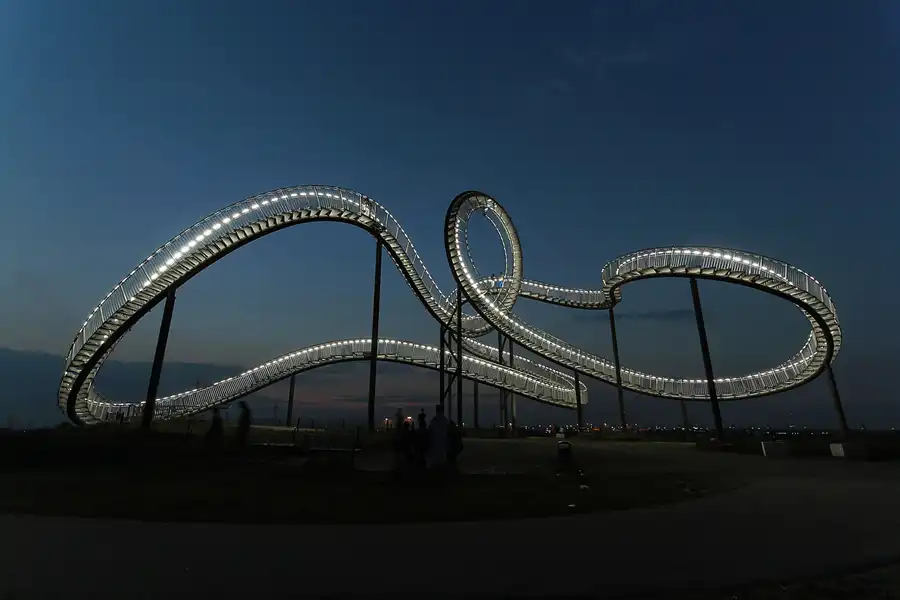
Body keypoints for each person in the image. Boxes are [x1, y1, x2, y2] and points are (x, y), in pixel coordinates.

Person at [427, 405, 449, 469]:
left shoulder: (434, 420)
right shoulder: (445, 420)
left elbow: (430, 431)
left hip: (435, 442)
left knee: (435, 460)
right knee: (441, 458)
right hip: (442, 442)